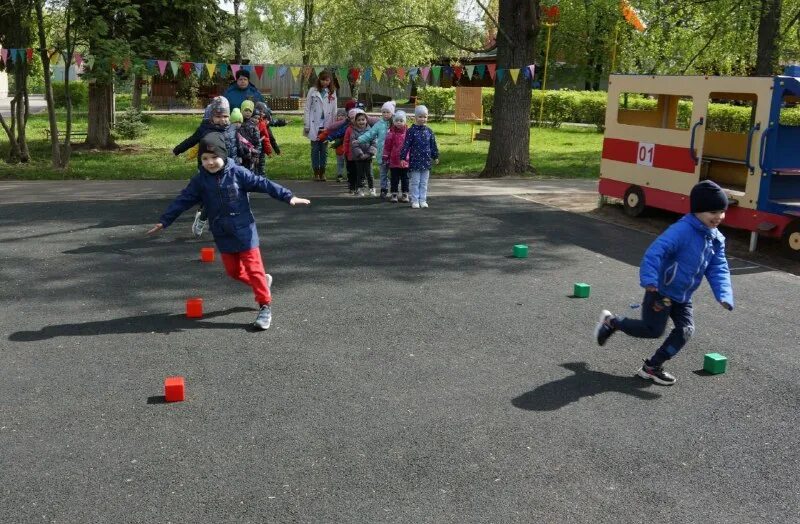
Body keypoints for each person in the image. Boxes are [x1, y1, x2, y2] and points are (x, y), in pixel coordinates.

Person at [147, 133, 311, 330]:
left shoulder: (238, 173)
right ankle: (262, 282)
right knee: (233, 272)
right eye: (204, 159)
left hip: (244, 230)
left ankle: (264, 306)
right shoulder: (200, 181)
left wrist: (288, 197)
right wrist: (164, 221)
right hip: (222, 232)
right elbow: (182, 200)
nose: (210, 162)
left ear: (223, 156)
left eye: (214, 157)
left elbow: (263, 183)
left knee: (254, 268)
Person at [594, 180, 735, 385]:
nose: (719, 217)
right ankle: (612, 322)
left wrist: (724, 294)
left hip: (683, 295)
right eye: (713, 212)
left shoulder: (715, 238)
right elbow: (655, 252)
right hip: (661, 291)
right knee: (653, 330)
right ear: (698, 210)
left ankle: (652, 367)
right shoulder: (681, 231)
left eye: (722, 211)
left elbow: (718, 267)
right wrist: (650, 279)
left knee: (685, 330)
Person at [172, 96, 230, 236]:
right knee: (212, 195)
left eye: (225, 116)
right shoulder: (205, 128)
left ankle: (206, 218)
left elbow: (235, 146)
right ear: (211, 117)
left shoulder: (229, 129)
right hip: (206, 167)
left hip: (223, 167)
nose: (222, 119)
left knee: (221, 197)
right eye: (218, 116)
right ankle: (203, 219)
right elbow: (191, 140)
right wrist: (177, 150)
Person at [400, 105, 439, 209]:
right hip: (415, 161)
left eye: (425, 117)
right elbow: (406, 144)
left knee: (424, 183)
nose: (423, 119)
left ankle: (423, 200)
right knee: (415, 182)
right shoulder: (411, 131)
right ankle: (415, 200)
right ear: (415, 117)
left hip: (426, 161)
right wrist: (402, 157)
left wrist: (435, 156)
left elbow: (433, 144)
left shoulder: (429, 131)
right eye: (420, 116)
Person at [303, 71, 338, 181]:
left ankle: (323, 172)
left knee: (324, 150)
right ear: (319, 79)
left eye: (327, 80)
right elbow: (307, 108)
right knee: (314, 150)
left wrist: (333, 127)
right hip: (314, 125)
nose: (325, 82)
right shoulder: (312, 91)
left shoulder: (332, 92)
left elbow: (334, 110)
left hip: (326, 126)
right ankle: (316, 173)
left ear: (330, 81)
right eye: (323, 80)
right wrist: (307, 124)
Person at [358, 101, 395, 199]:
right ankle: (383, 189)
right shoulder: (379, 124)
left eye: (388, 112)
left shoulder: (395, 124)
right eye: (384, 112)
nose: (385, 114)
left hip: (394, 155)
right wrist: (359, 140)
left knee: (393, 173)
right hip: (382, 154)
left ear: (392, 113)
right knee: (383, 173)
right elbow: (370, 134)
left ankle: (394, 190)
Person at [382, 110, 410, 203]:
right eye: (397, 120)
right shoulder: (391, 133)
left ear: (405, 122)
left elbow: (411, 146)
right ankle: (394, 194)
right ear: (394, 121)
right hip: (394, 161)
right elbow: (387, 146)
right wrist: (385, 156)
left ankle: (405, 193)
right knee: (394, 178)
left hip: (405, 161)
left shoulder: (408, 133)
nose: (399, 122)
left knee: (405, 178)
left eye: (401, 121)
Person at [348, 110, 377, 196]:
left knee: (369, 174)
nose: (361, 121)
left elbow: (374, 143)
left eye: (363, 119)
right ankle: (360, 188)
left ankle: (371, 188)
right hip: (358, 157)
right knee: (360, 174)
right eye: (359, 120)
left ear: (366, 120)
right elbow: (354, 145)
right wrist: (361, 154)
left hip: (368, 157)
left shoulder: (371, 131)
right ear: (356, 122)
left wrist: (368, 154)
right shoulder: (354, 132)